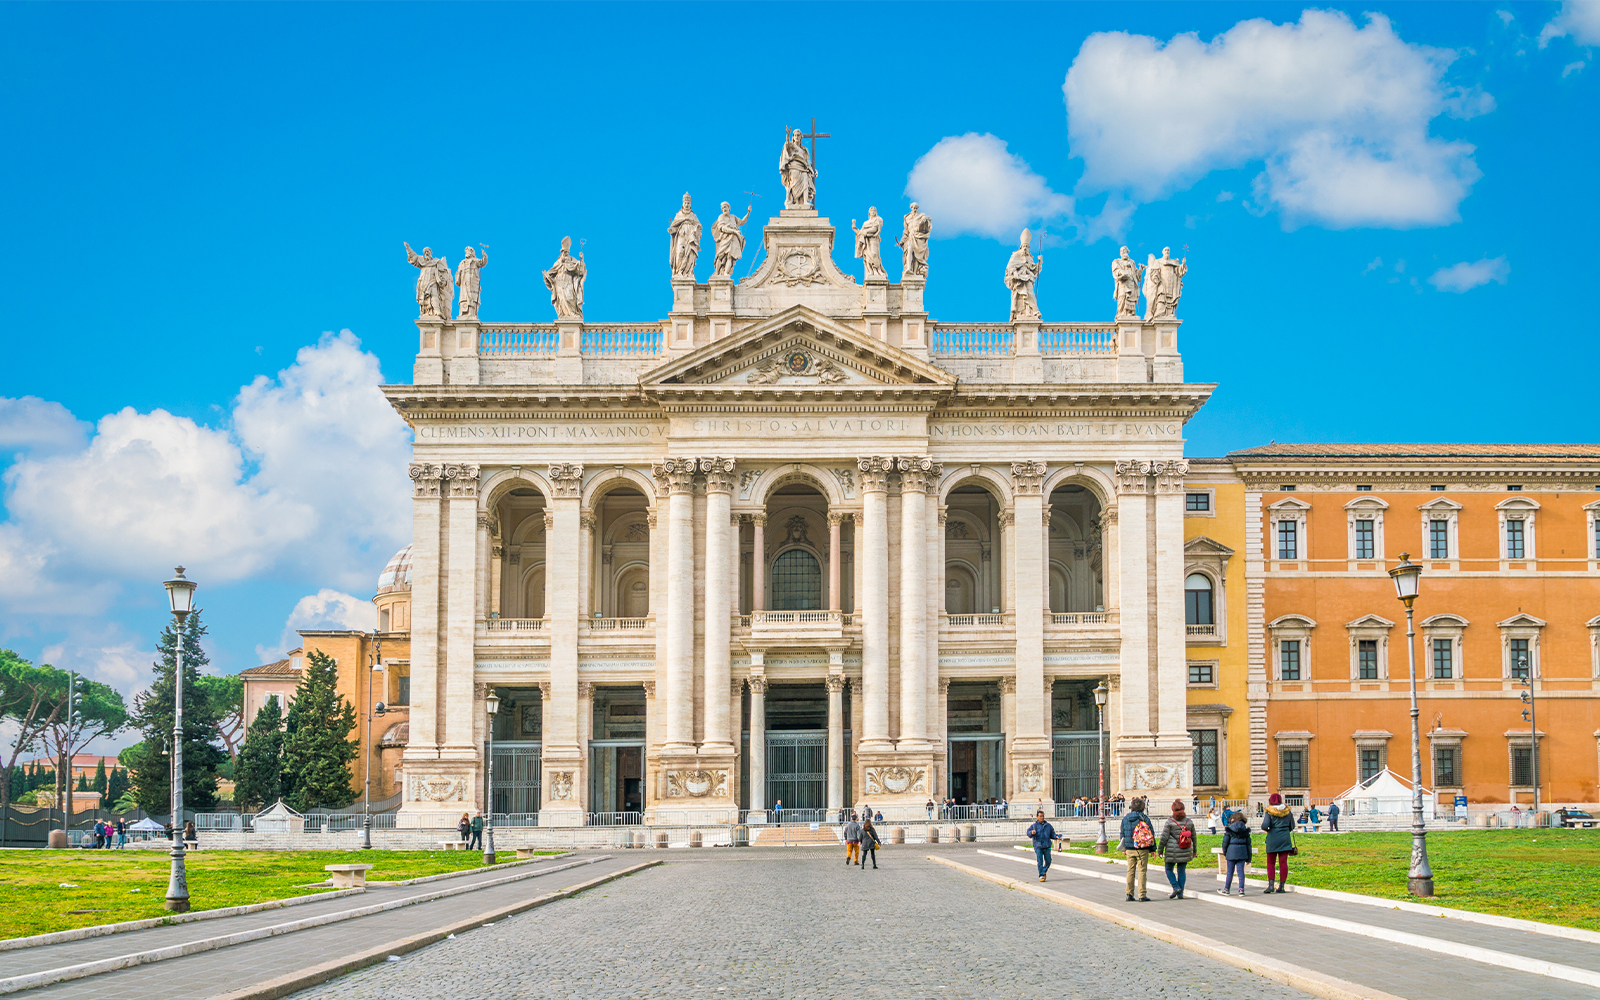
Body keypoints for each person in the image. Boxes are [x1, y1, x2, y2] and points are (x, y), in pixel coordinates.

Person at [1157, 799, 1198, 899]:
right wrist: (1194, 851)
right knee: (1181, 871)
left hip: (1172, 850)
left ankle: (1176, 887)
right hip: (1186, 849)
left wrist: (1160, 850)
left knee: (1168, 869)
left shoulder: (1169, 822)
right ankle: (1180, 893)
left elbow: (1164, 838)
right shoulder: (1189, 822)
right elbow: (1194, 837)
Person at [1119, 795, 1156, 902]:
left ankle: (1129, 894)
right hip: (1142, 848)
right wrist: (1153, 849)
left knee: (1130, 871)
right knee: (1142, 871)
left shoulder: (1125, 819)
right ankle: (1142, 894)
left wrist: (1124, 848)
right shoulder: (1144, 818)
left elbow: (1122, 834)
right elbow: (1150, 833)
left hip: (1129, 848)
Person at [1261, 793, 1296, 894]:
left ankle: (1271, 886)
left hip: (1273, 838)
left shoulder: (1269, 812)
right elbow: (1292, 826)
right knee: (1283, 863)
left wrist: (1269, 829)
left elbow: (1265, 825)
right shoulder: (1287, 812)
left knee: (1270, 862)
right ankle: (1282, 886)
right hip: (1285, 838)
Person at [1220, 809, 1252, 896]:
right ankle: (1241, 890)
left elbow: (1225, 843)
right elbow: (1249, 845)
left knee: (1230, 872)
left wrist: (1225, 852)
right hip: (1242, 853)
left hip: (1231, 852)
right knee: (1241, 872)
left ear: (1233, 819)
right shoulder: (1245, 830)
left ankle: (1227, 889)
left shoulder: (1229, 829)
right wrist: (1249, 858)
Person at [1026, 810, 1057, 882]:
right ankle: (1041, 875)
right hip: (1038, 846)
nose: (1042, 817)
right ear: (1037, 817)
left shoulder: (1048, 826)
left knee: (1048, 861)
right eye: (1040, 816)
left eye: (1043, 816)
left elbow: (1052, 834)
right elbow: (1028, 833)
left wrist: (1056, 836)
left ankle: (1043, 871)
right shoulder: (1034, 826)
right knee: (1040, 861)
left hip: (1047, 846)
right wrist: (1031, 832)